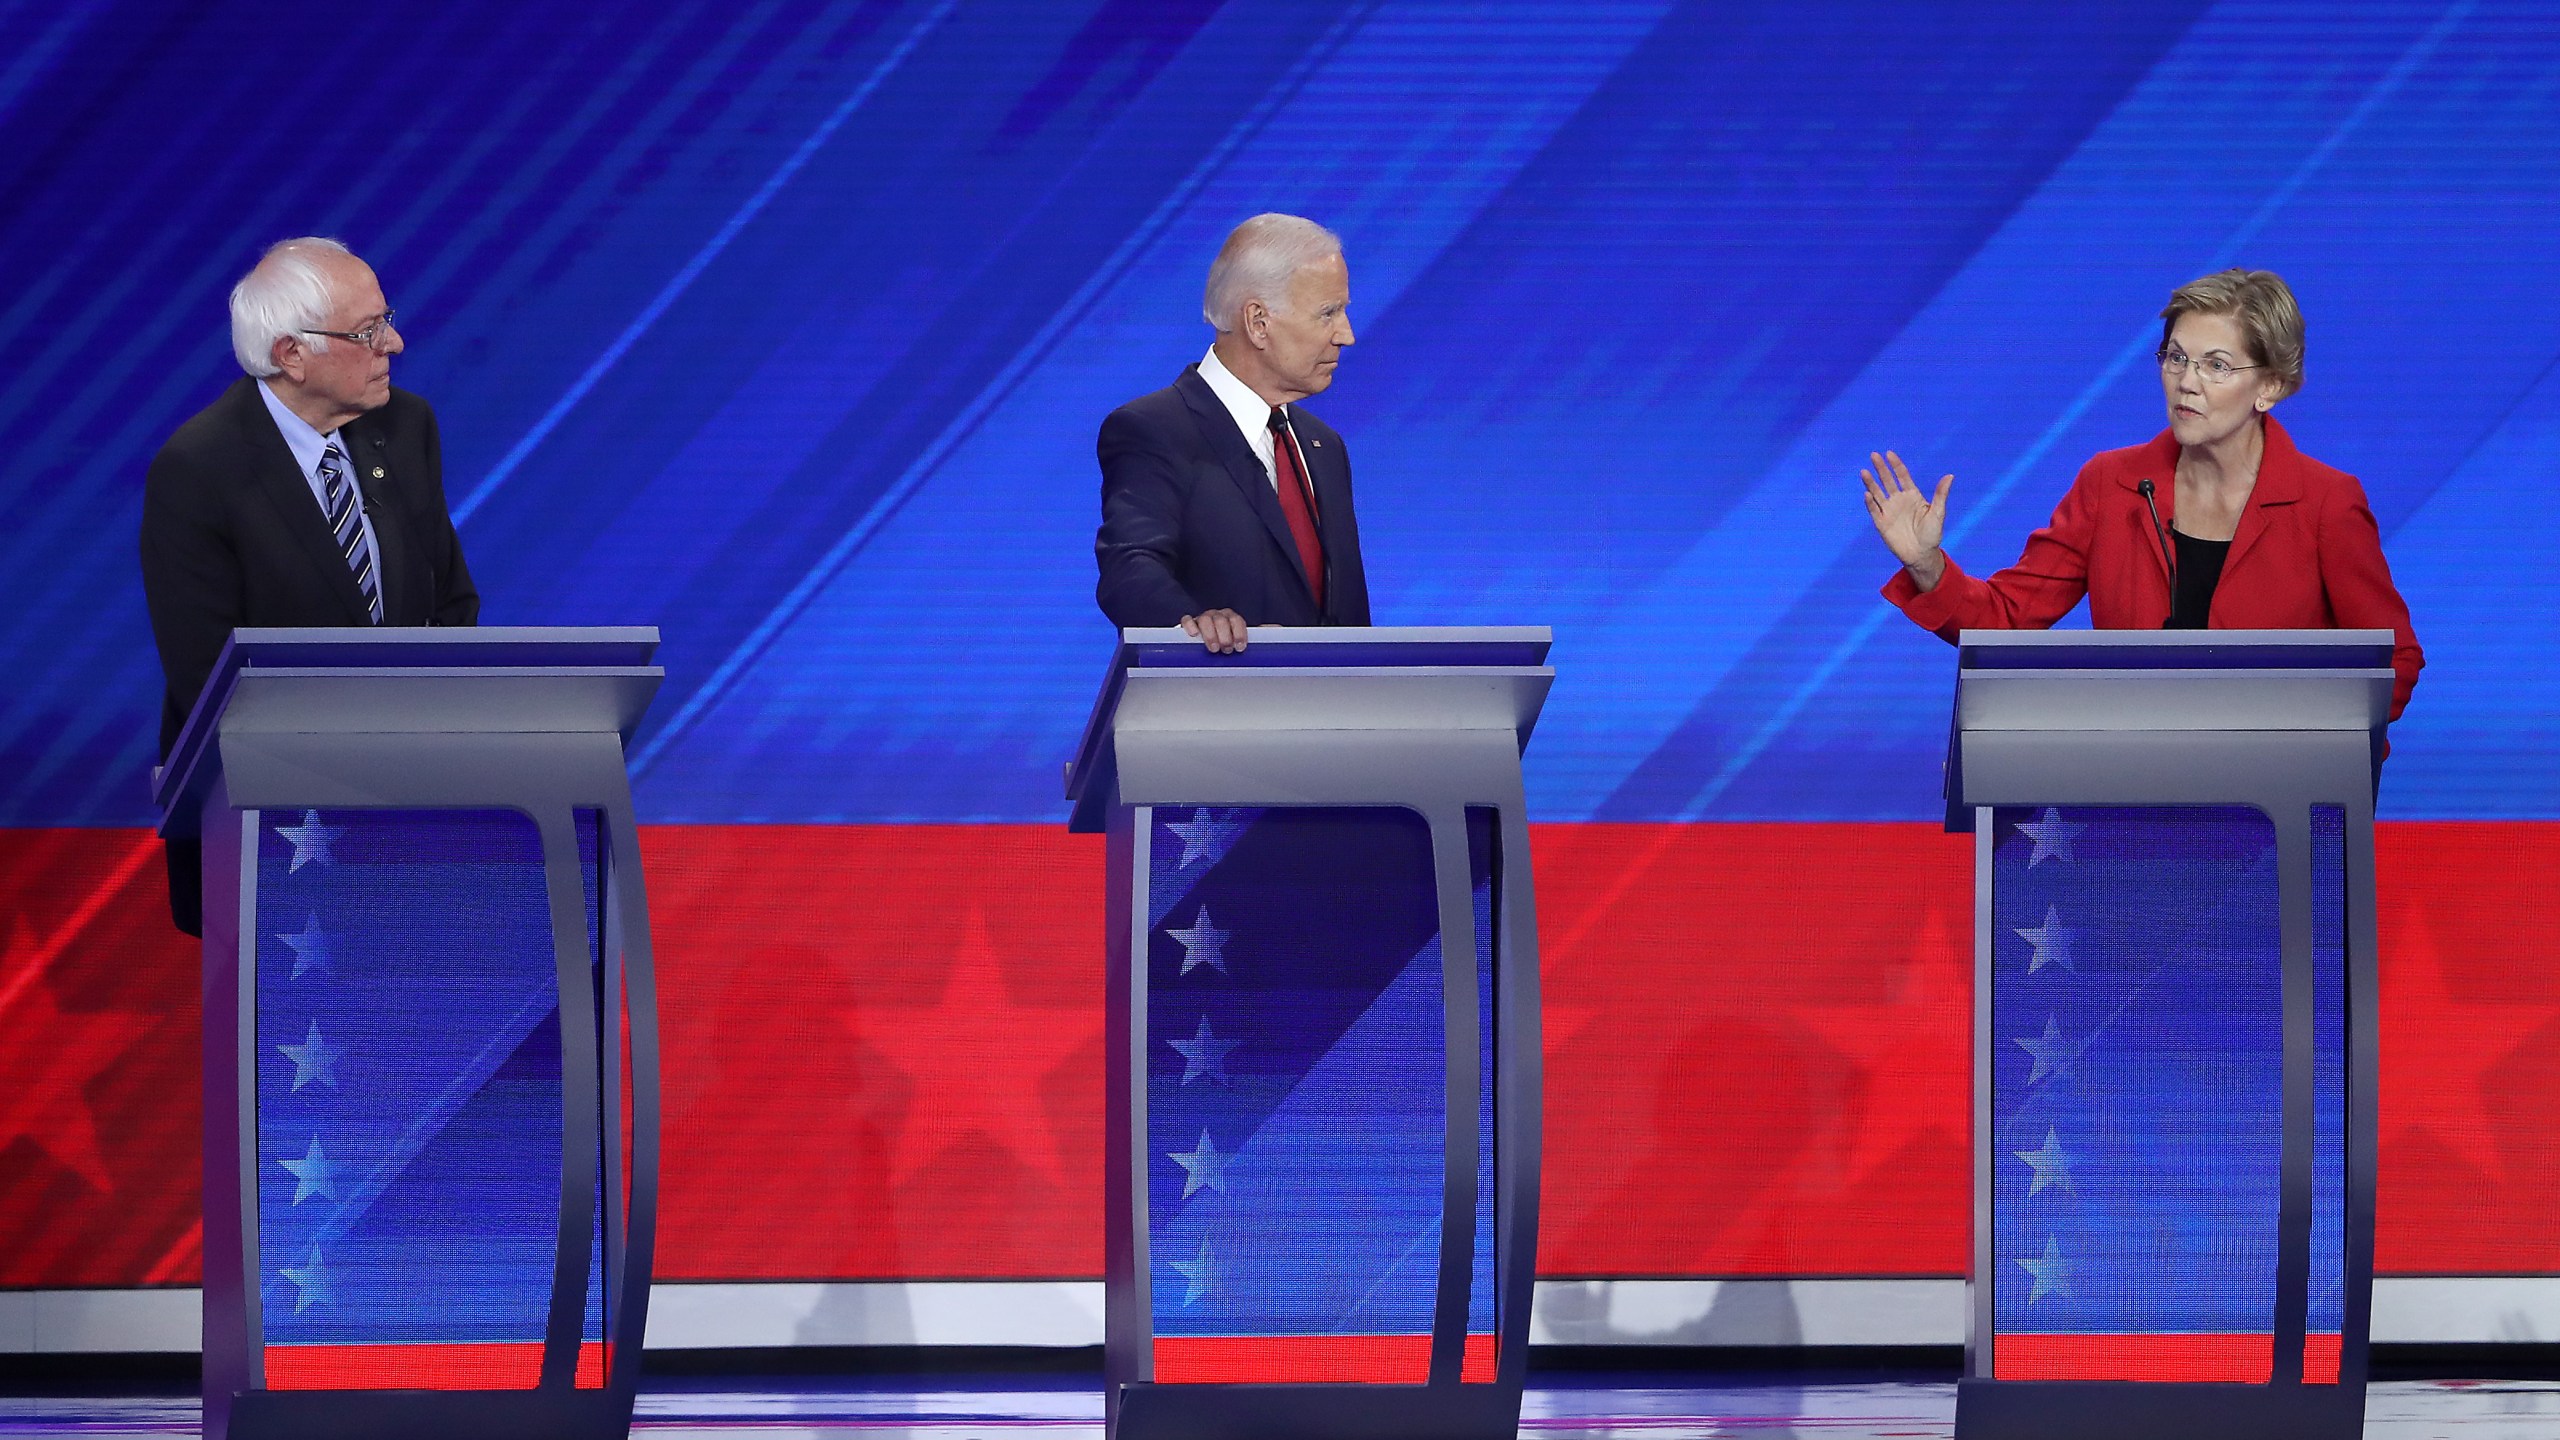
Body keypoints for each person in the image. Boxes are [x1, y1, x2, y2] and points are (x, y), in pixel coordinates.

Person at [1861, 267, 2422, 718]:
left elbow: (2394, 659)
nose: (2187, 381)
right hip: (2134, 798)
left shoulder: (2325, 502)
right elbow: (2006, 622)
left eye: (2216, 365)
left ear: (2270, 387)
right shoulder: (2112, 484)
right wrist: (1929, 565)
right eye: (2176, 357)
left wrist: (2309, 737)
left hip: (2279, 807)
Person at [140, 237, 478, 935]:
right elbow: (207, 680)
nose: (396, 341)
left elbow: (450, 602)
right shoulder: (200, 469)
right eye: (367, 331)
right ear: (291, 354)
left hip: (407, 802)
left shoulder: (406, 426)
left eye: (386, 318)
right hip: (271, 821)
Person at [1095, 213, 1369, 653]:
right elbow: (1130, 568)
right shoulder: (1156, 429)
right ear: (1258, 322)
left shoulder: (1324, 446)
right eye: (1328, 313)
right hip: (1218, 708)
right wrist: (1192, 625)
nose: (1347, 335)